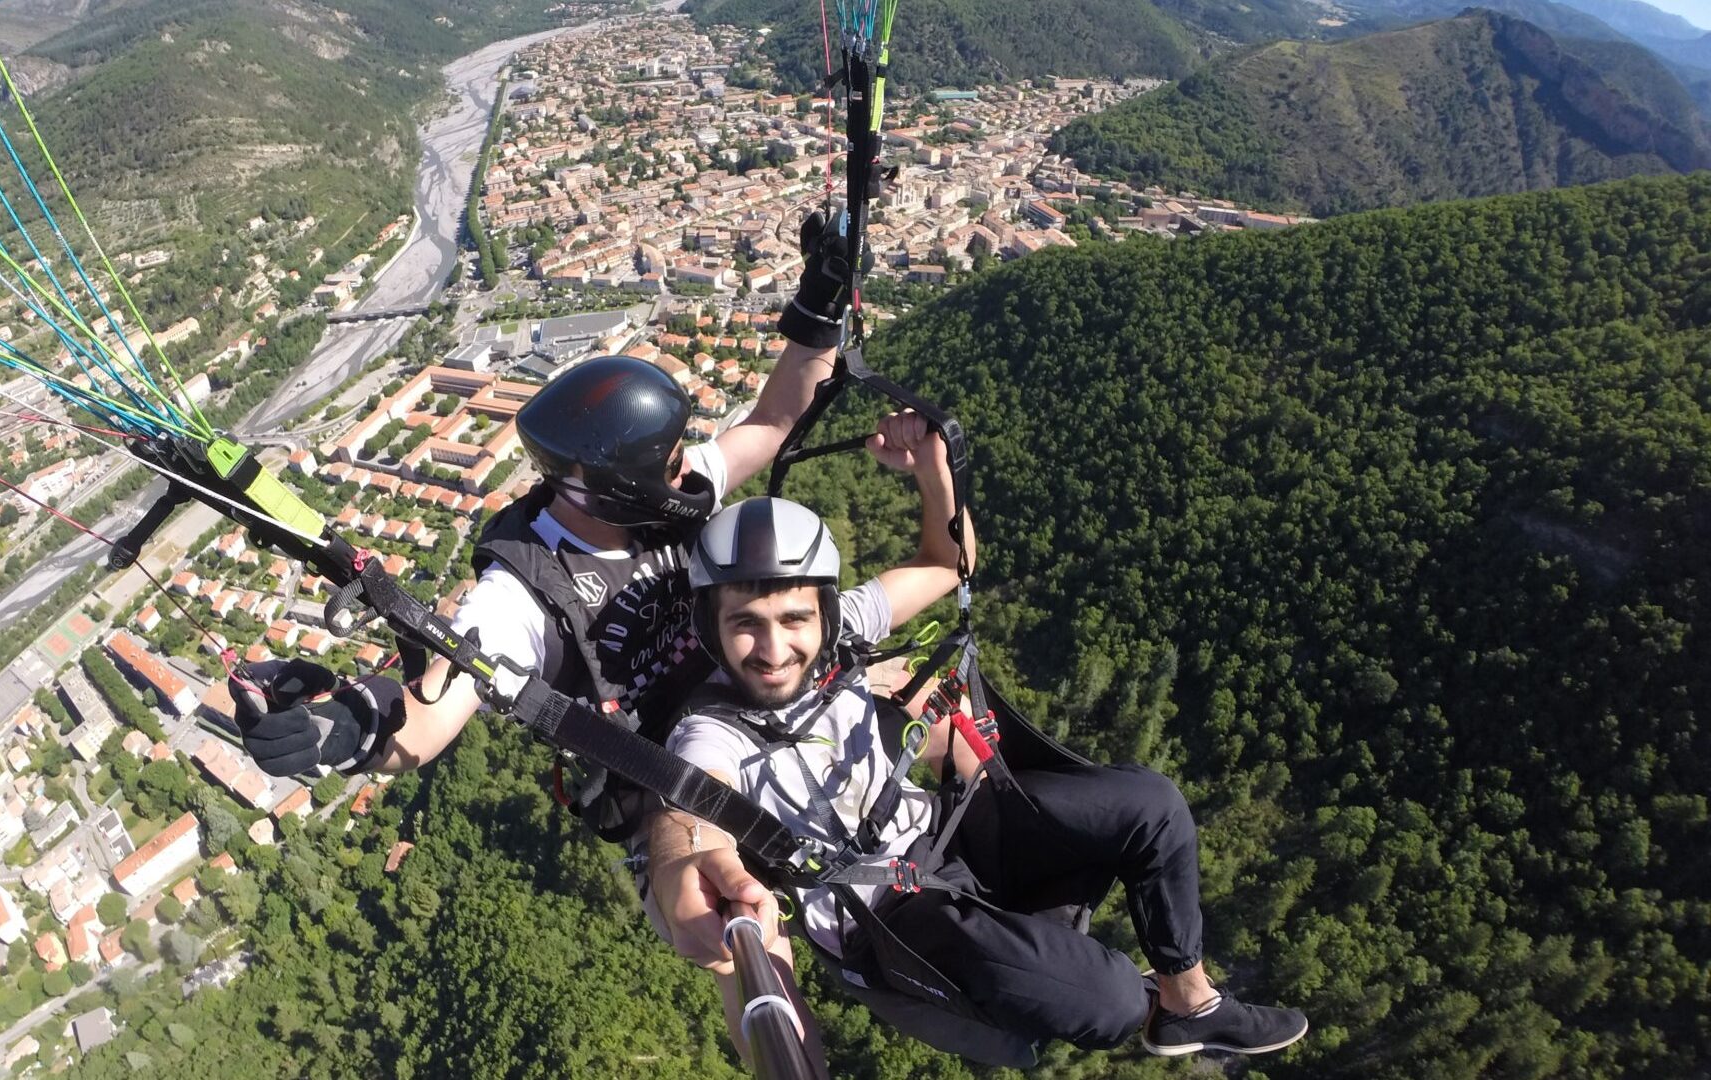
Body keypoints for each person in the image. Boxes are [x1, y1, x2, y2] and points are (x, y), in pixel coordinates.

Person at [229, 215, 861, 936]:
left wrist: (817, 310)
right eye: (670, 460)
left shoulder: (661, 494)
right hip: (670, 779)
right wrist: (344, 726)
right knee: (736, 927)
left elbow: (775, 420)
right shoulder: (521, 593)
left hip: (749, 692)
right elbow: (441, 700)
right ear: (625, 488)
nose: (687, 465)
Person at [648, 414, 1310, 1066]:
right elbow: (689, 813)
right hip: (887, 915)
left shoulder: (844, 629)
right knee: (1110, 1003)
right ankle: (1122, 997)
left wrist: (932, 472)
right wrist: (684, 867)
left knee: (1151, 805)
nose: (773, 650)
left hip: (946, 830)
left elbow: (947, 562)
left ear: (822, 611)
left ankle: (1190, 1002)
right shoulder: (711, 729)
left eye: (794, 619)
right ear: (711, 627)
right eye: (745, 624)